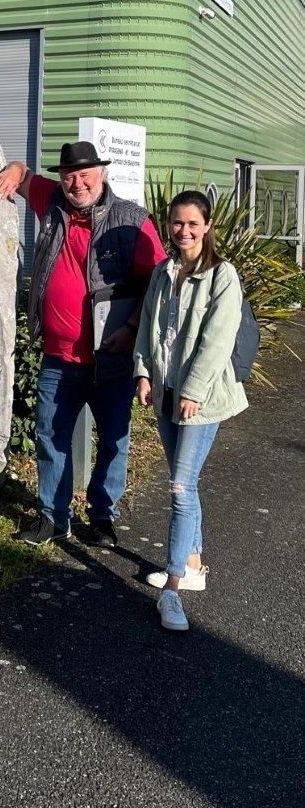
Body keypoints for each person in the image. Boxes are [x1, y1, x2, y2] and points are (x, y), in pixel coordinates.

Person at [0, 141, 166, 547]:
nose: (77, 182)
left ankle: (102, 516)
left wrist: (134, 326)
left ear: (101, 174)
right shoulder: (53, 203)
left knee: (114, 439)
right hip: (58, 357)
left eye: (85, 173)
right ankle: (54, 516)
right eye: (69, 174)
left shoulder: (131, 220)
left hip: (112, 357)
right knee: (51, 436)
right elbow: (24, 176)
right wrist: (15, 169)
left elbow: (157, 283)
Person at [134, 190, 247, 631]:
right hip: (166, 392)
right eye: (177, 223)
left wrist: (194, 389)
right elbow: (148, 324)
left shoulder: (223, 276)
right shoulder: (164, 272)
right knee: (188, 485)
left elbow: (217, 340)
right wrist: (144, 373)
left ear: (207, 226)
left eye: (192, 224)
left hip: (200, 399)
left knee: (181, 489)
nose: (183, 231)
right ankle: (193, 564)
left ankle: (173, 589)